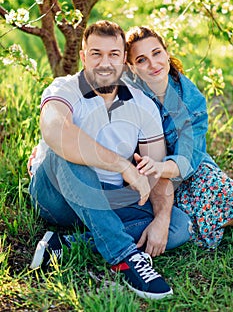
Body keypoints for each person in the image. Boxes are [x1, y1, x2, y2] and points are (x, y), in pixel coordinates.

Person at [28, 20, 192, 300]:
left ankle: (64, 244)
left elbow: (156, 171)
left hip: (112, 201)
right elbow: (57, 132)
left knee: (178, 225)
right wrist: (123, 166)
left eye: (113, 55)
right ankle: (124, 256)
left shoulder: (142, 105)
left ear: (124, 62)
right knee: (67, 151)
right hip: (59, 197)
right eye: (96, 54)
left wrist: (162, 217)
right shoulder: (64, 89)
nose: (105, 63)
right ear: (83, 57)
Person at [124, 26, 233, 250]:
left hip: (180, 170)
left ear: (166, 52)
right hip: (140, 177)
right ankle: (199, 222)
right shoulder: (124, 92)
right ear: (131, 66)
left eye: (156, 53)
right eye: (142, 59)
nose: (153, 64)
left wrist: (158, 167)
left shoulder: (191, 101)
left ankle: (206, 221)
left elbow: (187, 160)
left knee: (222, 191)